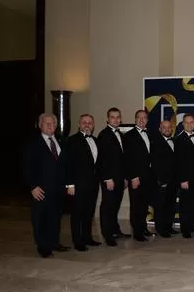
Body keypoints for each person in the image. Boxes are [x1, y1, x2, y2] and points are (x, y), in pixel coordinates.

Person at [23, 113, 69, 258]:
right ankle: (43, 246)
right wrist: (33, 186)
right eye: (46, 123)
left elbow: (65, 165)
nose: (50, 126)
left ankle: (54, 242)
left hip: (58, 189)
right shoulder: (33, 144)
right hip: (41, 189)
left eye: (53, 123)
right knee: (40, 219)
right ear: (40, 125)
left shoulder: (61, 141)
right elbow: (27, 167)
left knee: (55, 217)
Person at [64, 114, 102, 251]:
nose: (87, 125)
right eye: (84, 122)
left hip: (93, 184)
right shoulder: (72, 140)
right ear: (79, 124)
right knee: (77, 214)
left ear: (93, 125)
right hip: (78, 185)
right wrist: (70, 185)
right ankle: (77, 241)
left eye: (90, 122)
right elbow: (68, 164)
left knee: (89, 213)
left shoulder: (96, 140)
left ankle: (87, 237)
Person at [97, 107, 129, 246]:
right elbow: (102, 159)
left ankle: (115, 230)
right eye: (112, 117)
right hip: (109, 179)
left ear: (120, 119)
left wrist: (125, 177)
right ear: (107, 119)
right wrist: (107, 178)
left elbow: (123, 159)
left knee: (115, 205)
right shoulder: (104, 135)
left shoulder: (120, 134)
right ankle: (107, 235)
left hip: (120, 178)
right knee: (107, 207)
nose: (115, 119)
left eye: (117, 117)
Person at [123, 110, 154, 242]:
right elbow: (128, 159)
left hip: (148, 176)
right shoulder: (129, 136)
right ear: (135, 119)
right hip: (136, 177)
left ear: (147, 120)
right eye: (139, 118)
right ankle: (137, 232)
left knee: (144, 205)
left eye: (144, 118)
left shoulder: (150, 134)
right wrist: (133, 177)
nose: (142, 120)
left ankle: (143, 228)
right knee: (136, 205)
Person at [150, 120, 177, 238]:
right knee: (160, 206)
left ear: (172, 128)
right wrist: (160, 180)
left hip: (173, 181)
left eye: (169, 127)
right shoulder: (155, 142)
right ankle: (161, 229)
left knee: (170, 205)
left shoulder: (174, 141)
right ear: (160, 129)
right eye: (164, 127)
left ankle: (168, 227)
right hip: (162, 181)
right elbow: (154, 163)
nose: (167, 129)